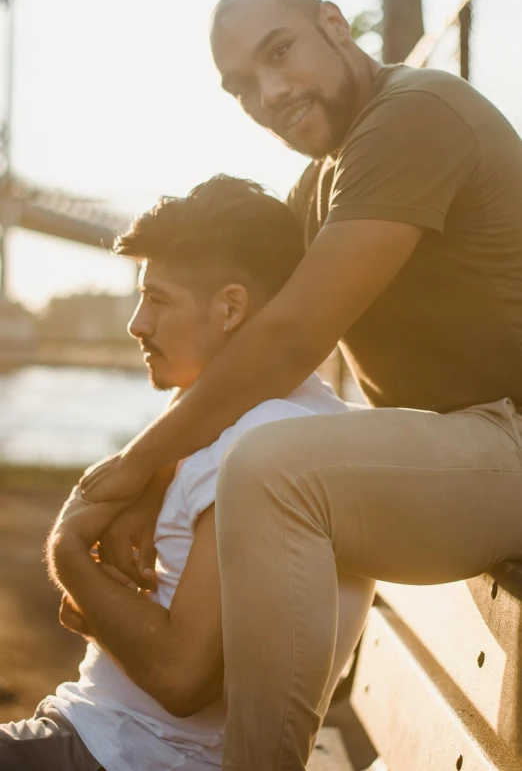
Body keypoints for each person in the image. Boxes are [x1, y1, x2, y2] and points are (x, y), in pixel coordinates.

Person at [80, 0, 522, 768]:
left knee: (276, 469)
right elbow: (242, 335)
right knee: (272, 457)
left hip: (509, 437)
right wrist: (151, 487)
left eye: (278, 52)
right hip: (465, 453)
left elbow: (285, 341)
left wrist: (133, 466)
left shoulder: (417, 113)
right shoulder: (325, 183)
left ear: (332, 22)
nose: (270, 94)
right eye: (242, 86)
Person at [0, 176, 373, 771]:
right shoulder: (255, 420)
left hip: (125, 753)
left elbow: (181, 678)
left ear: (230, 308)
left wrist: (69, 551)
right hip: (102, 737)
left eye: (158, 298)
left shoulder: (263, 443)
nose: (137, 324)